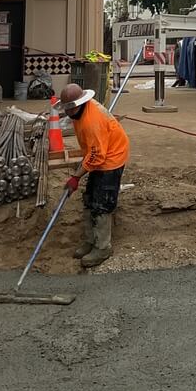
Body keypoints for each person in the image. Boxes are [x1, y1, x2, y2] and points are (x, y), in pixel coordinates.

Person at [59, 82, 130, 267]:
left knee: (102, 204)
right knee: (89, 199)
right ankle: (91, 240)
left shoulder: (92, 121)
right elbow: (93, 152)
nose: (67, 112)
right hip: (99, 154)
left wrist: (76, 177)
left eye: (70, 108)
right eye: (66, 108)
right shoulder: (80, 113)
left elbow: (97, 156)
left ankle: (103, 247)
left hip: (112, 158)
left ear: (79, 104)